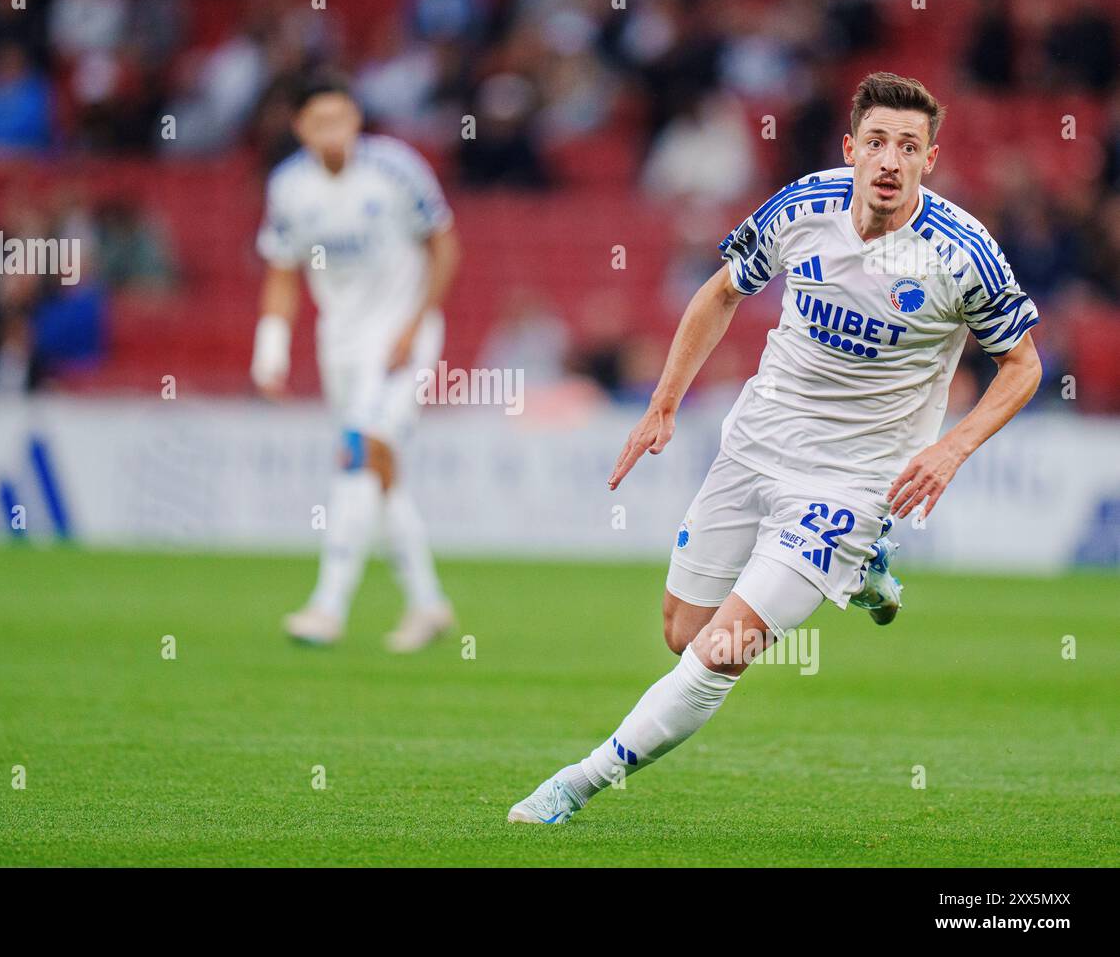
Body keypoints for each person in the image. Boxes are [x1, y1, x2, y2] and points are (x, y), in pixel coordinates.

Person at [508, 72, 1043, 824]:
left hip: (855, 480)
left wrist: (952, 449)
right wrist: (663, 405)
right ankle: (866, 572)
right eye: (879, 143)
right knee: (682, 634)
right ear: (851, 148)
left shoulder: (963, 254)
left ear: (931, 159)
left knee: (722, 650)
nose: (891, 160)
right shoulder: (803, 207)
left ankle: (578, 781)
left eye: (910, 147)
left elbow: (1022, 365)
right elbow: (722, 291)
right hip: (758, 440)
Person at [251, 74, 460, 652]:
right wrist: (271, 349)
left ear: (356, 120)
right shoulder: (289, 186)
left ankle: (328, 605)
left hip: (400, 337)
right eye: (319, 122)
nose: (333, 132)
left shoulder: (397, 169)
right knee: (380, 471)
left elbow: (445, 243)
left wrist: (417, 323)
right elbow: (282, 271)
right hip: (338, 344)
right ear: (300, 128)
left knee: (359, 452)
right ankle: (426, 601)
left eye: (341, 119)